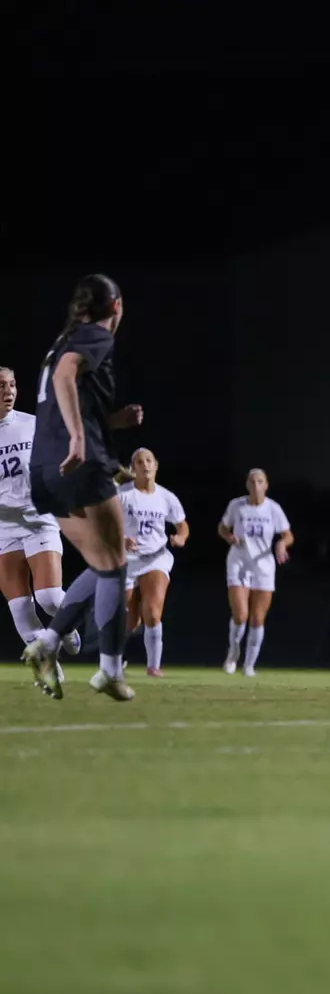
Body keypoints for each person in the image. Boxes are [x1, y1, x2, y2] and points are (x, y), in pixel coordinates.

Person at [21, 275, 145, 701]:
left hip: (44, 470)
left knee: (103, 563)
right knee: (114, 565)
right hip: (79, 463)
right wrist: (80, 438)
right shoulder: (93, 337)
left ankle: (47, 645)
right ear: (117, 307)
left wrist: (110, 424)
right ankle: (109, 670)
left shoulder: (61, 340)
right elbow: (67, 376)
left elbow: (61, 396)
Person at [0, 366, 85, 676]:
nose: (8, 391)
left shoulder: (31, 425)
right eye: (1, 385)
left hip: (38, 518)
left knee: (49, 598)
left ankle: (68, 625)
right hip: (2, 529)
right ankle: (50, 662)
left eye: (11, 384)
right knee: (21, 610)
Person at [120, 448, 189, 677]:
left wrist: (180, 537)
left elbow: (182, 524)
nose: (145, 465)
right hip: (127, 561)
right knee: (129, 621)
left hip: (156, 558)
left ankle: (153, 666)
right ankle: (115, 660)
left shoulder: (166, 497)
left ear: (156, 465)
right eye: (139, 461)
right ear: (133, 469)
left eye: (149, 460)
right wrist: (121, 538)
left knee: (152, 611)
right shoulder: (122, 495)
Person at [220, 468, 293, 677]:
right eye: (252, 482)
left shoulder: (273, 509)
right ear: (247, 485)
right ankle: (233, 654)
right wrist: (229, 537)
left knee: (257, 618)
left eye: (260, 481)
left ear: (266, 485)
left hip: (263, 565)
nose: (256, 486)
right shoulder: (237, 505)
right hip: (239, 562)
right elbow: (222, 528)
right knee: (240, 615)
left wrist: (281, 544)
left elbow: (288, 535)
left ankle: (249, 665)